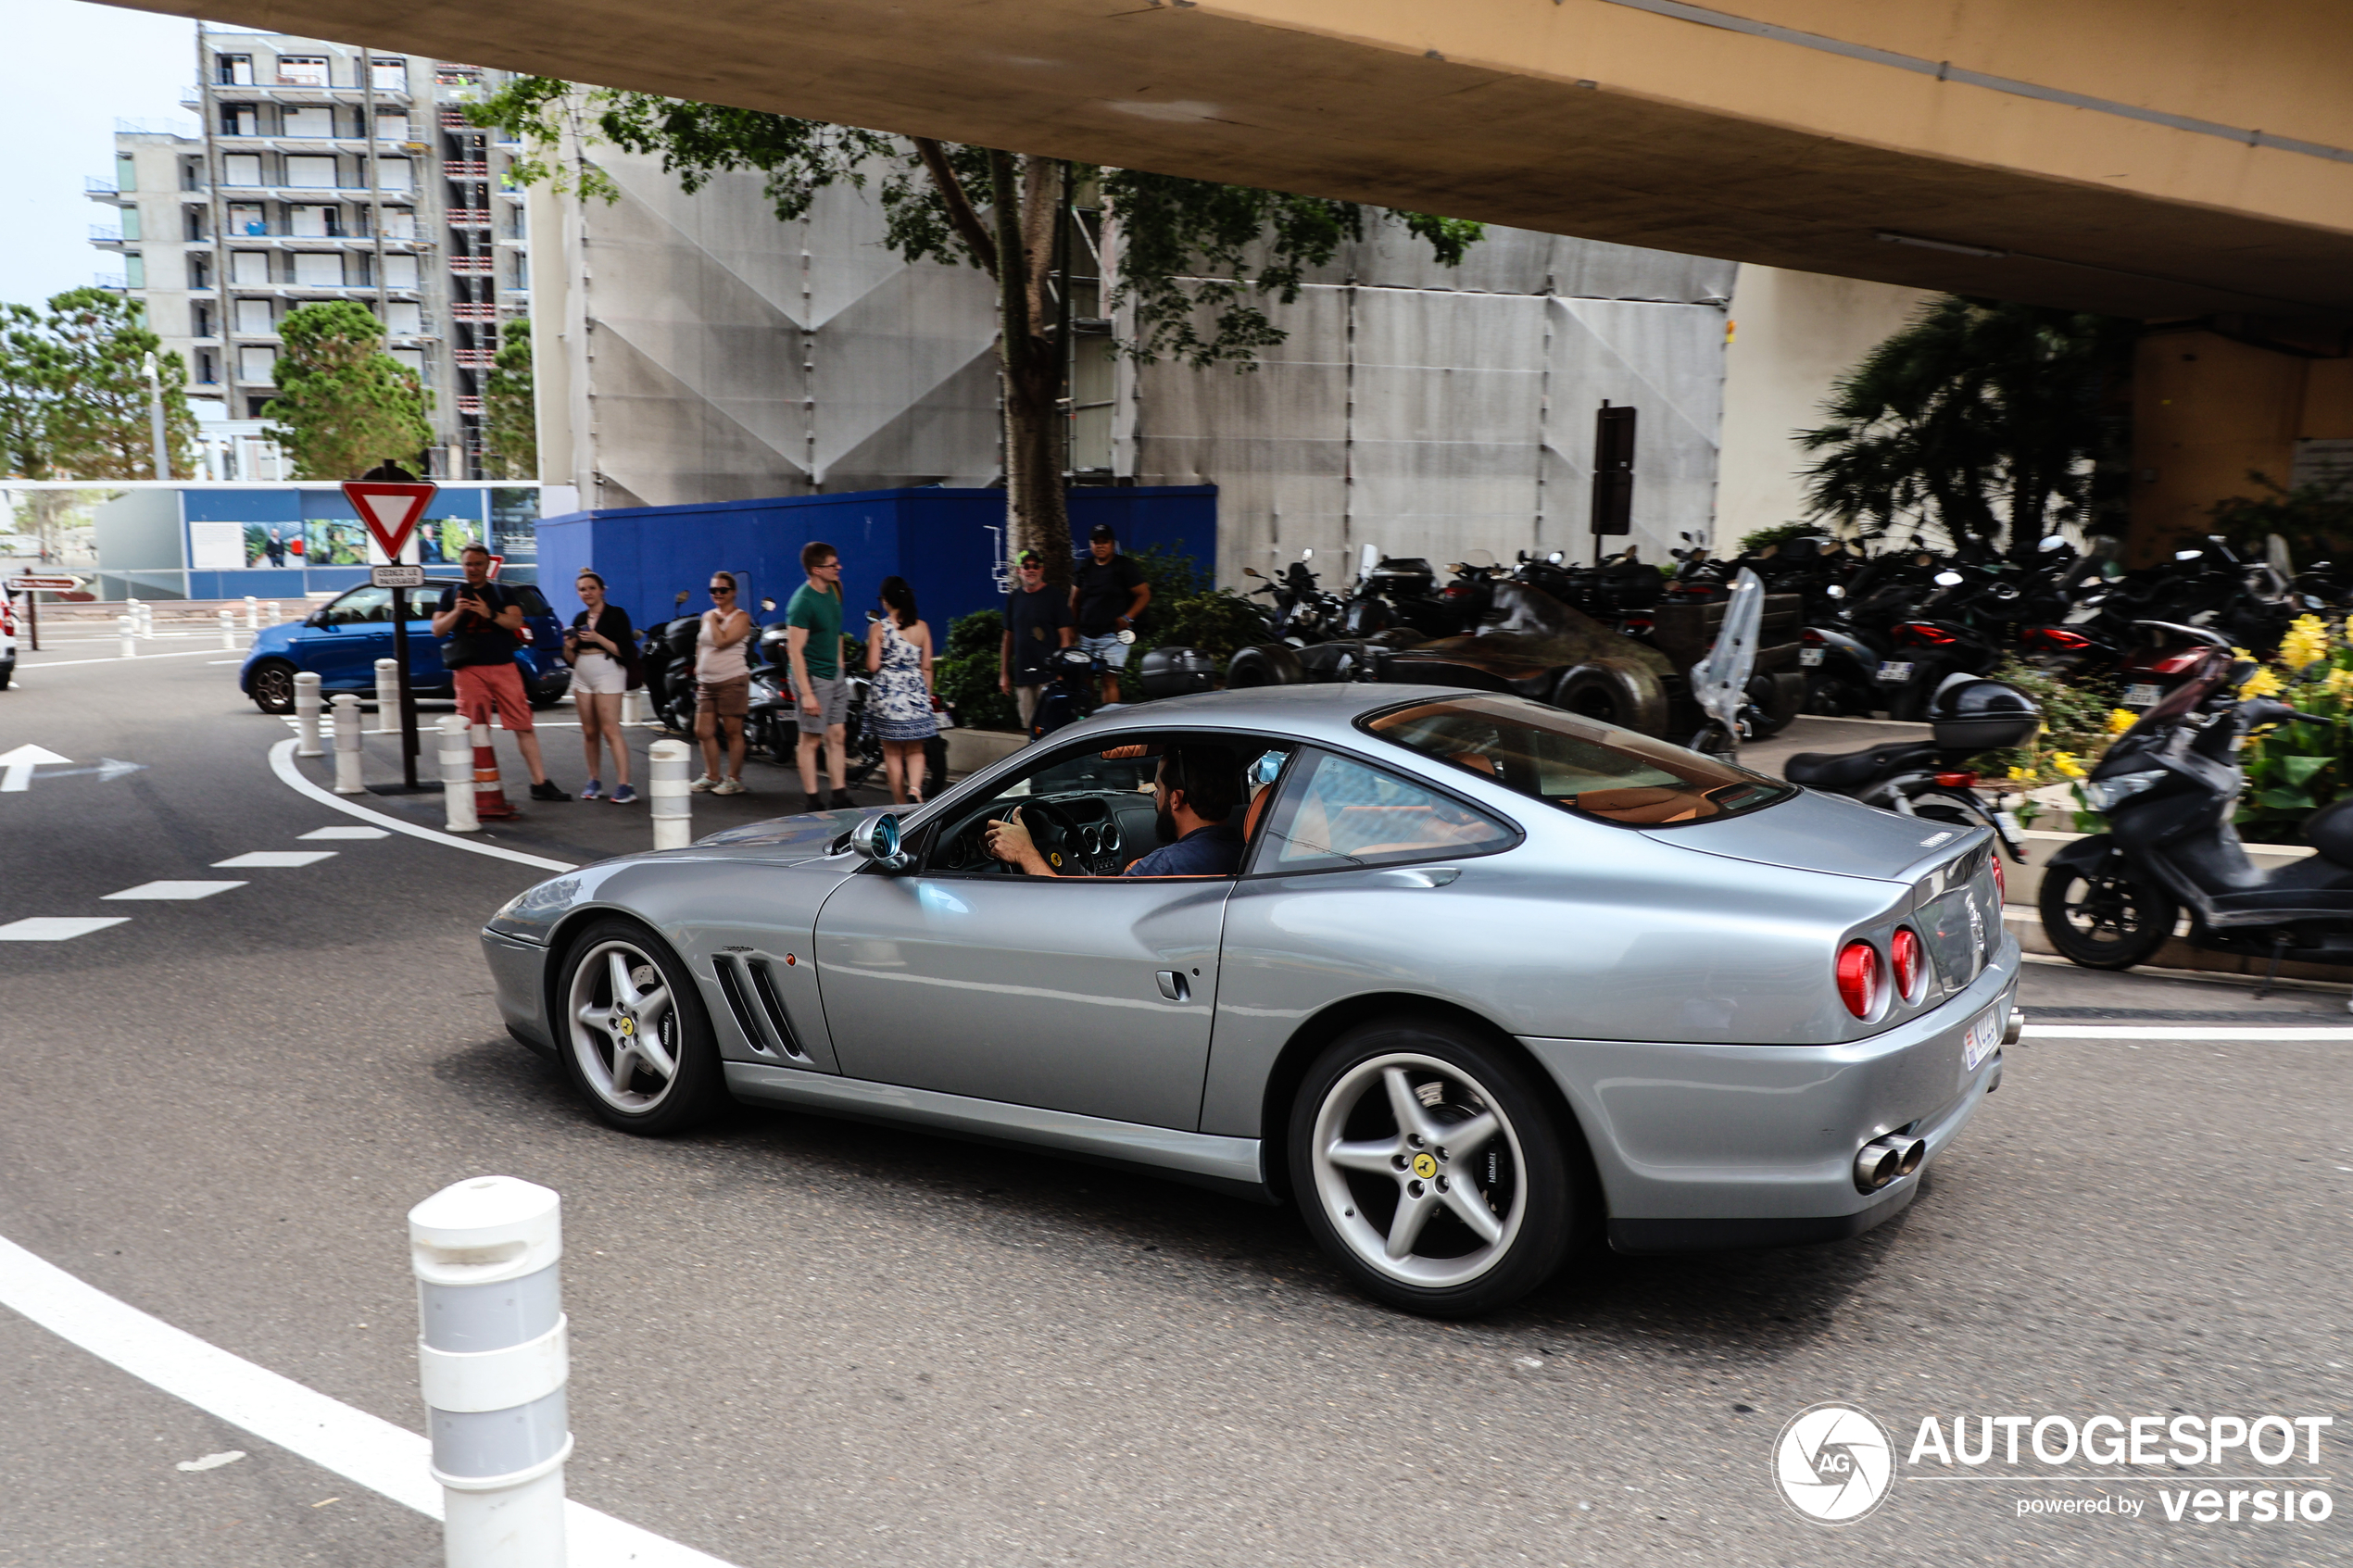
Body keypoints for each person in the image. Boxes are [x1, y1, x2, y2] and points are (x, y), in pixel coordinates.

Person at [429, 544, 565, 803]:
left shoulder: (502, 592)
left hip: (504, 666)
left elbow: (515, 621)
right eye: (469, 564)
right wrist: (458, 610)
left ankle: (540, 782)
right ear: (462, 566)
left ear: (487, 565)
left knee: (523, 724)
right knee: (474, 727)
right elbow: (437, 629)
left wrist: (488, 613)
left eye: (478, 564)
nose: (473, 569)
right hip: (469, 669)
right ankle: (475, 784)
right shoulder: (451, 594)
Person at [985, 745, 1244, 877]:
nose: (1155, 795)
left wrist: (1025, 853)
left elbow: (1090, 907)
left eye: (1160, 788)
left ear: (1175, 800)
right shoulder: (1242, 849)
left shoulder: (1167, 866)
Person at [784, 542, 853, 814]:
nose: (839, 568)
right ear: (816, 569)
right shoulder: (802, 602)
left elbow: (836, 632)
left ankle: (839, 795)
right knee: (811, 739)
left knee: (837, 735)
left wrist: (841, 669)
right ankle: (812, 801)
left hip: (834, 674)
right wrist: (807, 693)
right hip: (812, 677)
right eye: (832, 565)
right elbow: (795, 652)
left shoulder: (834, 590)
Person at [564, 570, 640, 805]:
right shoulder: (579, 618)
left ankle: (624, 784)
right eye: (582, 589)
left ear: (602, 591)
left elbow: (624, 650)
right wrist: (568, 645)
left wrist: (597, 637)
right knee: (589, 731)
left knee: (610, 729)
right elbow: (569, 657)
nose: (587, 593)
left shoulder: (616, 615)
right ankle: (593, 779)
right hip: (582, 672)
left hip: (608, 671)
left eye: (591, 588)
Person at [864, 575, 937, 805]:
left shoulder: (879, 628)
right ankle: (915, 789)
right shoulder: (922, 627)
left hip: (888, 696)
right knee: (916, 749)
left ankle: (899, 802)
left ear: (886, 600)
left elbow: (873, 666)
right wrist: (924, 695)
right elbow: (927, 666)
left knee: (893, 752)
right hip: (916, 692)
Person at [1071, 523, 1151, 704]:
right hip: (1086, 634)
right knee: (1085, 678)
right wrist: (1072, 629)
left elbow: (1144, 595)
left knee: (1108, 679)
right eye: (1096, 542)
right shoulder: (1085, 566)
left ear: (1112, 544)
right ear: (1091, 545)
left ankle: (1107, 722)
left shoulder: (1124, 566)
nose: (1100, 545)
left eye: (1104, 541)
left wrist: (1127, 617)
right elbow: (1074, 600)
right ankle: (1086, 719)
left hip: (1113, 635)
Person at [998, 548, 1074, 732]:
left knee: (1052, 728)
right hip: (1023, 677)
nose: (1031, 570)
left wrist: (1061, 672)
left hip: (1049, 677)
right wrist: (1004, 673)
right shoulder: (1014, 598)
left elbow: (1066, 636)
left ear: (1042, 569)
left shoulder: (1054, 596)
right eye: (1026, 566)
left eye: (1035, 566)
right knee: (1029, 729)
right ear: (1019, 570)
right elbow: (1008, 637)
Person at [692, 570, 753, 796]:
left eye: (722, 590)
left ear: (733, 592)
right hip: (707, 683)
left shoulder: (741, 618)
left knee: (732, 731)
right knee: (702, 731)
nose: (717, 593)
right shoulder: (708, 615)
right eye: (713, 590)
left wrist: (710, 619)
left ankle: (734, 779)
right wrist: (699, 668)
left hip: (732, 680)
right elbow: (702, 643)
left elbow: (720, 641)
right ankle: (711, 775)